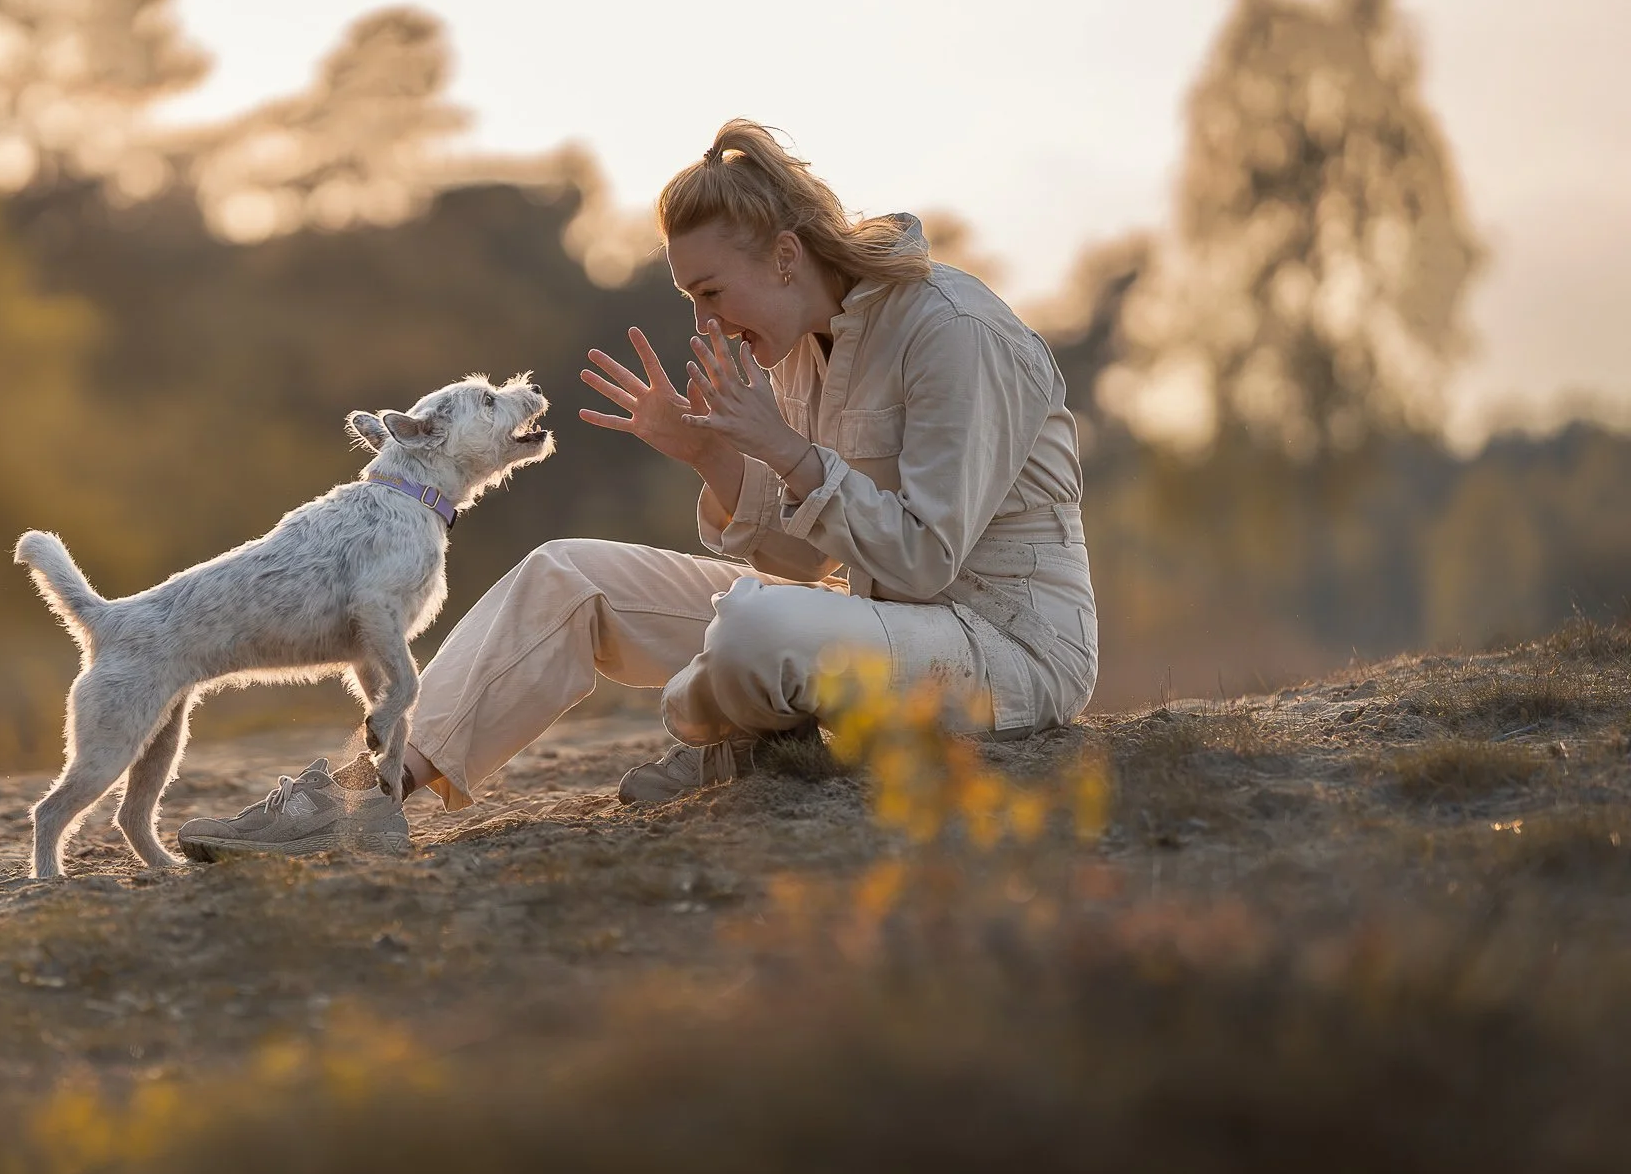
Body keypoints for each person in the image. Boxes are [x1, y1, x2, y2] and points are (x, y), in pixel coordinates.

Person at [177, 119, 1097, 857]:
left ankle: (721, 738)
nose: (707, 321)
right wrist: (713, 457)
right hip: (863, 623)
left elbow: (926, 561)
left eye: (710, 293)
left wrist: (785, 449)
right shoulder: (795, 349)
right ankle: (360, 798)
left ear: (784, 256)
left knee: (758, 627)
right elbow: (812, 558)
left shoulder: (953, 330)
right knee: (564, 573)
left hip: (1007, 648)